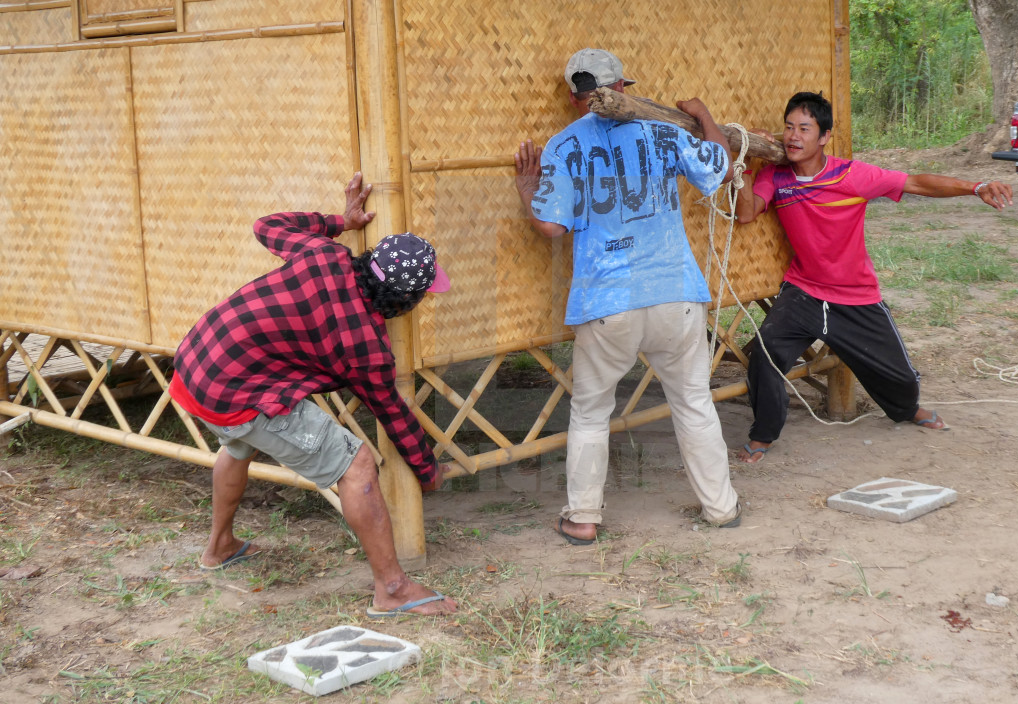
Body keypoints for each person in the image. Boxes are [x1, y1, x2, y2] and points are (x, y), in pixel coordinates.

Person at [169, 173, 457, 618]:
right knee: (356, 462)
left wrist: (338, 222)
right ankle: (394, 589)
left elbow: (266, 225)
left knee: (238, 442)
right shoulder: (366, 344)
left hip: (195, 365)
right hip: (235, 391)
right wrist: (428, 471)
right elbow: (393, 415)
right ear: (405, 301)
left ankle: (220, 547)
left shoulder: (325, 253)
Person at [514, 48, 742, 544]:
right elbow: (722, 167)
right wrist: (702, 115)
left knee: (593, 411)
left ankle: (583, 518)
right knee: (694, 402)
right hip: (674, 293)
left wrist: (526, 188)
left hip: (607, 302)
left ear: (576, 99)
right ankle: (721, 508)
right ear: (622, 90)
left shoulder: (562, 146)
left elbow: (550, 227)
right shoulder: (665, 131)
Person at [733, 91, 1014, 462]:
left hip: (855, 295)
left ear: (824, 136)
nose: (793, 137)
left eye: (804, 128)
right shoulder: (776, 176)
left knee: (901, 380)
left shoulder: (851, 175)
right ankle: (763, 434)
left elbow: (916, 183)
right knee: (765, 356)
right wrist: (745, 159)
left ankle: (906, 409)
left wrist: (974, 187)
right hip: (804, 292)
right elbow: (746, 213)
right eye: (788, 127)